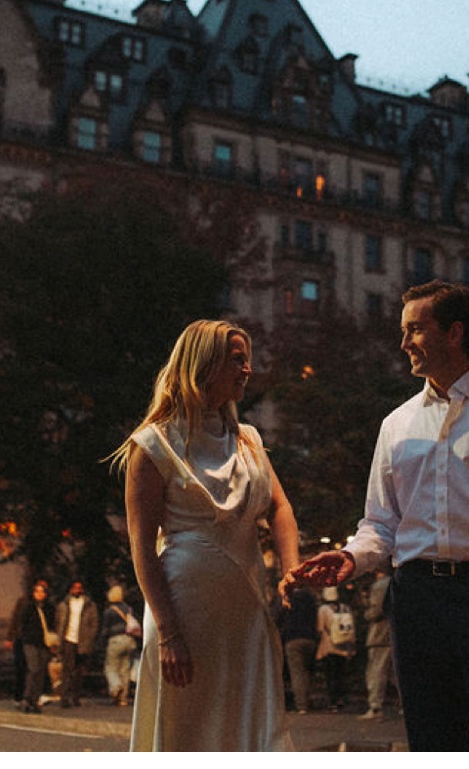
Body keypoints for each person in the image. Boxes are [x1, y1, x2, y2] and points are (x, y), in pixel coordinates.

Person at [288, 280, 469, 751]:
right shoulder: (396, 424)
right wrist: (351, 559)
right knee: (433, 743)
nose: (403, 342)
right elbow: (379, 524)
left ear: (454, 333)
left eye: (415, 329)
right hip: (417, 602)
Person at [110, 319, 302, 751]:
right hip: (184, 618)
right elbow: (141, 547)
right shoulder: (154, 444)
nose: (248, 369)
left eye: (248, 360)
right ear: (203, 364)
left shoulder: (249, 440)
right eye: (237, 359)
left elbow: (280, 506)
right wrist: (169, 632)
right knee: (189, 731)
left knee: (248, 731)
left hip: (247, 613)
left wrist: (291, 568)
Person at [7, 579, 54, 713]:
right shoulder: (28, 606)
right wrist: (16, 636)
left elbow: (52, 624)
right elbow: (19, 621)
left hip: (44, 643)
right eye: (37, 591)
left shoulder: (49, 608)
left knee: (41, 670)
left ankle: (35, 699)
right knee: (33, 668)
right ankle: (27, 697)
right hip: (29, 641)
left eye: (42, 591)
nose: (39, 594)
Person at [54, 580, 99, 708]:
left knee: (79, 671)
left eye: (80, 588)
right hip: (68, 639)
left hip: (83, 641)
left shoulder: (89, 605)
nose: (77, 590)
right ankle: (64, 697)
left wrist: (90, 638)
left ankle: (75, 696)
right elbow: (58, 621)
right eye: (75, 587)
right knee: (67, 670)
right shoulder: (64, 604)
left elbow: (94, 624)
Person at [359, 569, 397, 719]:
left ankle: (375, 707)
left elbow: (375, 611)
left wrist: (366, 612)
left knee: (376, 671)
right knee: (395, 674)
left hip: (380, 635)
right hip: (394, 633)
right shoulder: (396, 581)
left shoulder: (380, 585)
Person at [279, 582, 319, 714]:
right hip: (310, 638)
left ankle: (301, 705)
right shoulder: (311, 599)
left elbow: (279, 617)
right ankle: (309, 699)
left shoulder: (288, 599)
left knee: (297, 672)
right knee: (307, 671)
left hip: (293, 638)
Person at [316, 586, 357, 710]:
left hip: (329, 647)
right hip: (344, 647)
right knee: (342, 674)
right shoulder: (345, 608)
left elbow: (320, 628)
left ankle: (333, 701)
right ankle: (342, 699)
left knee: (331, 675)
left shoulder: (323, 609)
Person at [101, 585, 140, 706]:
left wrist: (101, 643)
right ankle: (123, 699)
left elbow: (105, 629)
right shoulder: (128, 609)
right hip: (129, 640)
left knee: (111, 667)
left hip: (115, 640)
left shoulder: (109, 611)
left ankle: (116, 686)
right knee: (125, 669)